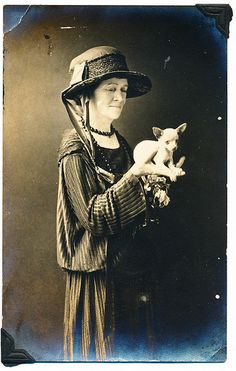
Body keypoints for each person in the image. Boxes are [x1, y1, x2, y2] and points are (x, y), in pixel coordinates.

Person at [56, 45, 182, 361]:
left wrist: (157, 188)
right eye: (110, 88)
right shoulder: (74, 148)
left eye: (123, 90)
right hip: (97, 278)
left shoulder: (122, 143)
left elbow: (136, 206)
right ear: (86, 96)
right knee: (102, 354)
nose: (119, 97)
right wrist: (135, 178)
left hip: (131, 270)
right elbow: (93, 217)